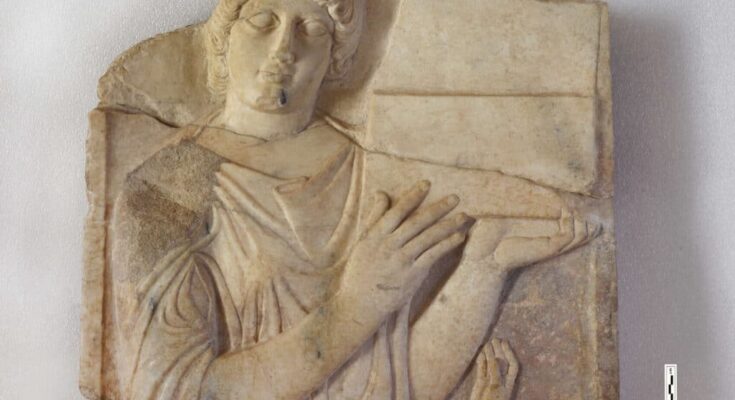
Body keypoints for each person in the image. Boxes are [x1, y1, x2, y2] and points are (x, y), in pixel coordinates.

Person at [109, 0, 599, 398]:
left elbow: (394, 383)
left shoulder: (365, 169)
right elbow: (172, 390)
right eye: (263, 20)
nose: (284, 48)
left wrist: (482, 268)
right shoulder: (167, 184)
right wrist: (356, 305)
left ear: (336, 57)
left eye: (312, 30)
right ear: (225, 35)